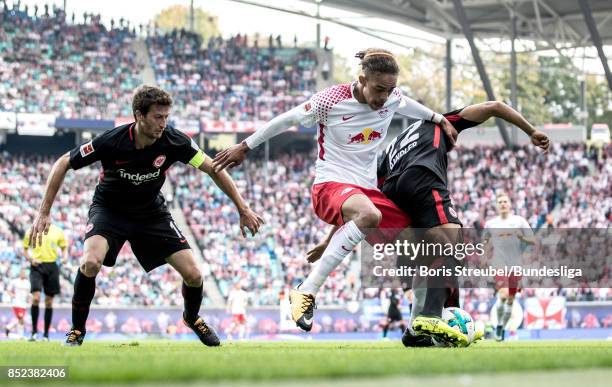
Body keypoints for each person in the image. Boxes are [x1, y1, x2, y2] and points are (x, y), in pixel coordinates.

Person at [213, 48, 458, 333]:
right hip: (330, 186)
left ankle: (421, 328)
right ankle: (306, 290)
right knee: (371, 216)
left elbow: (411, 106)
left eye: (390, 90)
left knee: (424, 249)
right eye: (379, 89)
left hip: (365, 196)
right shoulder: (330, 100)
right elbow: (287, 119)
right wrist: (245, 146)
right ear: (362, 79)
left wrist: (438, 118)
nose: (384, 97)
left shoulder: (392, 97)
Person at [28, 85, 263, 347]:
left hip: (151, 213)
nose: (163, 123)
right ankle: (77, 330)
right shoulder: (111, 141)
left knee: (194, 275)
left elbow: (213, 168)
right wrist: (44, 212)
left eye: (166, 117)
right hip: (110, 210)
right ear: (139, 115)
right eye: (158, 117)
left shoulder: (175, 141)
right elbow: (63, 163)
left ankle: (192, 317)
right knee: (90, 263)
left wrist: (242, 208)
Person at [310, 101, 549, 346]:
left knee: (427, 258)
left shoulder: (391, 147)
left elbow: (361, 197)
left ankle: (418, 331)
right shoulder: (437, 122)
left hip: (393, 191)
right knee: (451, 250)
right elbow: (495, 106)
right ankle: (433, 317)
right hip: (423, 178)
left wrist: (328, 239)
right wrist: (531, 131)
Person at [483, 192, 536, 341]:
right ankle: (498, 326)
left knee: (510, 300)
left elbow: (533, 240)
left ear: (510, 204)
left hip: (516, 265)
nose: (503, 204)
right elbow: (484, 242)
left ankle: (500, 327)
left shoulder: (519, 221)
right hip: (499, 263)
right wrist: (484, 257)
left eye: (505, 201)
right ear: (497, 205)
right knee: (503, 294)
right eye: (500, 202)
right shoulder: (491, 224)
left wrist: (522, 237)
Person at [23, 223, 67, 341]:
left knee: (48, 302)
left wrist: (64, 257)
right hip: (36, 266)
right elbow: (25, 250)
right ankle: (34, 333)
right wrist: (31, 259)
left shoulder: (58, 231)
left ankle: (46, 335)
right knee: (36, 297)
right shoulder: (31, 230)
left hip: (52, 266)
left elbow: (64, 247)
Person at [4, 269, 30, 339]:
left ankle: (9, 327)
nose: (23, 274)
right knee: (21, 317)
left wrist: (29, 300)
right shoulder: (15, 281)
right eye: (22, 273)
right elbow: (8, 289)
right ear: (19, 274)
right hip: (17, 303)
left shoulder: (27, 283)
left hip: (24, 304)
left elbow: (28, 293)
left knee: (21, 319)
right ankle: (21, 335)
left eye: (24, 273)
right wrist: (12, 295)